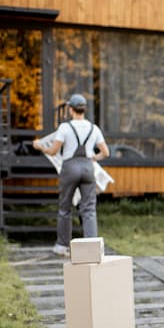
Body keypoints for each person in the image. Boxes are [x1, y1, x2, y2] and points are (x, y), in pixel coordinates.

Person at [33, 94, 109, 256]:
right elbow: (105, 152)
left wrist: (40, 147)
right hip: (88, 168)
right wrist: (92, 158)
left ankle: (62, 246)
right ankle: (92, 249)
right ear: (84, 109)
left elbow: (53, 151)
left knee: (65, 208)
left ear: (70, 109)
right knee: (89, 209)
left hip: (69, 168)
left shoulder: (65, 128)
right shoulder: (93, 128)